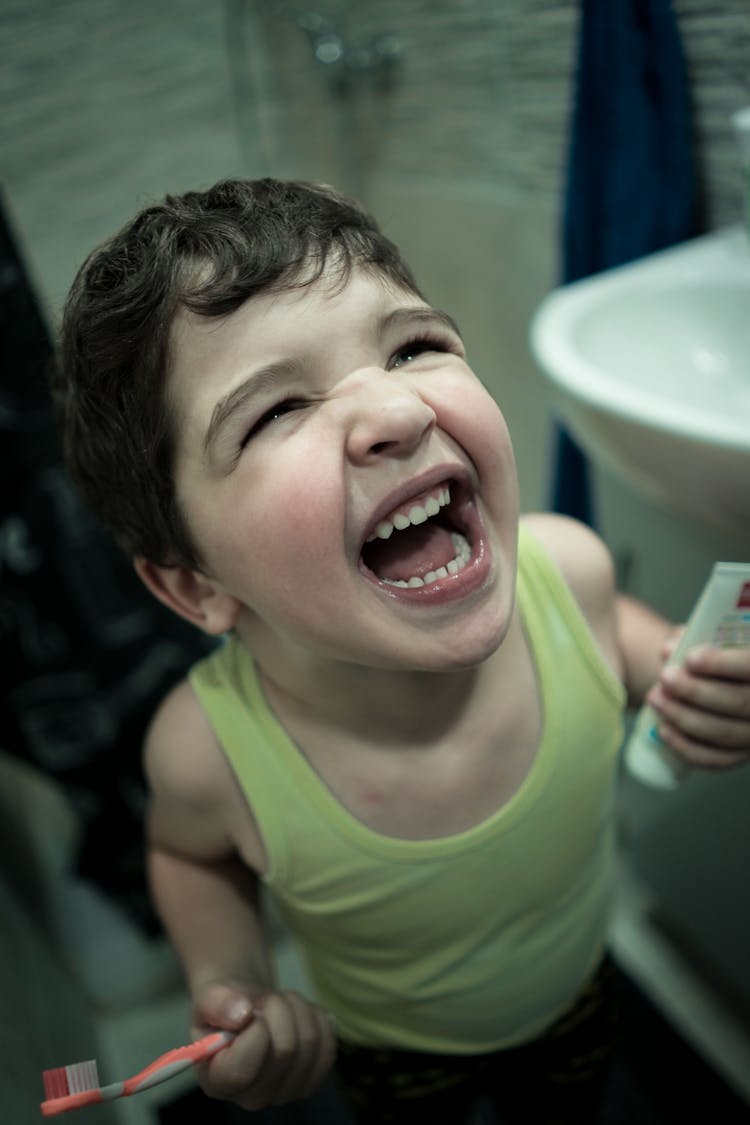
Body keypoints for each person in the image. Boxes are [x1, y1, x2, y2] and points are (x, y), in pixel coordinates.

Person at [51, 178, 750, 1124]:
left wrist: (692, 672)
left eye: (414, 347)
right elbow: (190, 854)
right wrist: (231, 974)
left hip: (581, 984)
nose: (398, 410)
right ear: (197, 586)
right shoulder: (209, 751)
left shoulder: (569, 570)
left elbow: (628, 647)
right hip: (395, 1048)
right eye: (274, 411)